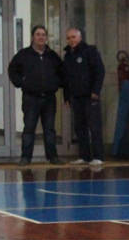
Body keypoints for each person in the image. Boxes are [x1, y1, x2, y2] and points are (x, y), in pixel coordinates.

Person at [7, 25, 63, 165]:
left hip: (49, 98)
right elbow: (12, 70)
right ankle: (26, 157)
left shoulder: (52, 56)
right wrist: (21, 83)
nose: (41, 37)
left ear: (46, 37)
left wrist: (55, 84)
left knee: (49, 129)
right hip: (31, 98)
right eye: (38, 34)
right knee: (29, 128)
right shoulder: (23, 54)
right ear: (33, 37)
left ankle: (53, 157)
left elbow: (62, 72)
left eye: (43, 34)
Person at [62, 27, 105, 165]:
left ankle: (98, 156)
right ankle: (84, 156)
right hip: (76, 97)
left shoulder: (90, 51)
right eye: (68, 38)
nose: (71, 40)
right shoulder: (68, 56)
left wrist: (95, 91)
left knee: (94, 126)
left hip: (90, 96)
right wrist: (66, 96)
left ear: (80, 37)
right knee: (80, 127)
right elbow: (66, 78)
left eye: (73, 37)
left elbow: (100, 71)